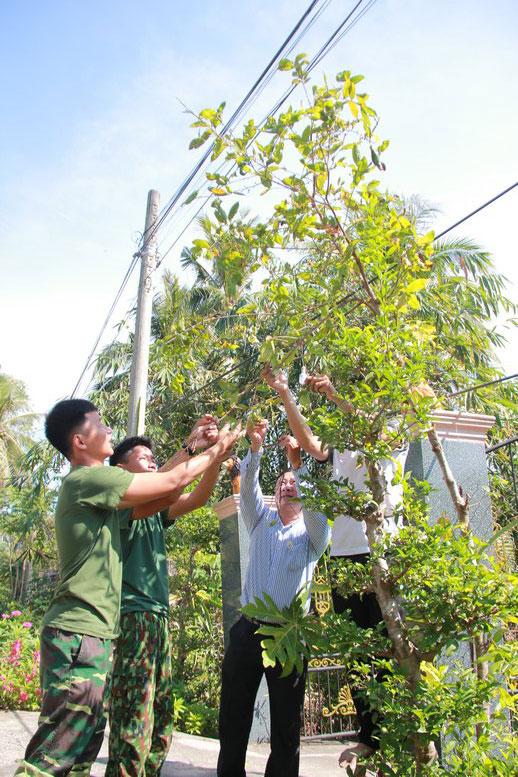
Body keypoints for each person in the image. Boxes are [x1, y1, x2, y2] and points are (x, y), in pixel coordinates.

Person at [15, 398, 241, 777]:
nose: (107, 430)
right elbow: (169, 482)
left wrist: (200, 452)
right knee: (57, 752)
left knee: (81, 749)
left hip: (95, 634)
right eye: (98, 423)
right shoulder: (89, 479)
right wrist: (216, 449)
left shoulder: (103, 499)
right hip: (78, 631)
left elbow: (166, 492)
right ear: (79, 441)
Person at [261, 365, 408, 774]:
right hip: (344, 557)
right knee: (358, 651)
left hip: (380, 552)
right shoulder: (344, 436)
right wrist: (287, 395)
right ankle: (370, 736)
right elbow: (312, 446)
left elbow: (380, 436)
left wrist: (335, 396)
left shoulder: (391, 425)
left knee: (388, 647)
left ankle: (395, 733)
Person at [106, 416, 224, 777]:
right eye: (143, 458)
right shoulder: (120, 504)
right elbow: (170, 482)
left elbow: (197, 496)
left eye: (153, 457)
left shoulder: (156, 510)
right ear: (122, 468)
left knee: (160, 709)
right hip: (133, 614)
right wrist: (195, 447)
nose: (152, 461)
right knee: (133, 712)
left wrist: (215, 461)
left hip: (158, 617)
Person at [217, 419, 331, 777]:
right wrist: (255, 449)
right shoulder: (260, 520)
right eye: (282, 483)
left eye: (293, 484)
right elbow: (248, 488)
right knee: (233, 716)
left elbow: (314, 508)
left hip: (289, 639)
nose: (286, 487)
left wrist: (298, 466)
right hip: (247, 633)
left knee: (285, 725)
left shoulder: (314, 533)